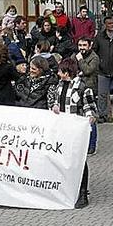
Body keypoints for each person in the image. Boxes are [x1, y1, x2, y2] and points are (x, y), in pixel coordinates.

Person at [47, 57, 96, 209]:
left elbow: (89, 107)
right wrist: (54, 107)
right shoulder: (60, 86)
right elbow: (56, 102)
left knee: (79, 160)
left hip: (75, 129)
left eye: (60, 71)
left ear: (67, 72)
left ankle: (82, 191)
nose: (58, 74)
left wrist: (89, 119)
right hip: (62, 127)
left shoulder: (82, 87)